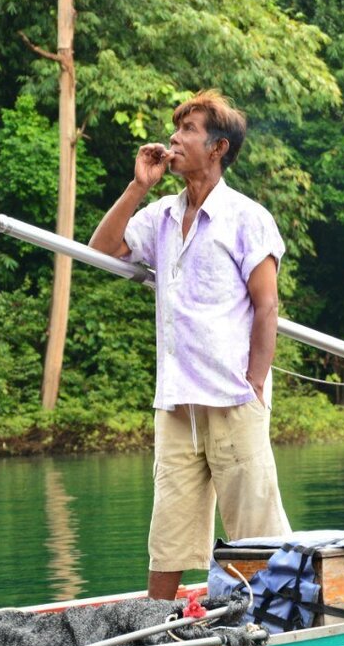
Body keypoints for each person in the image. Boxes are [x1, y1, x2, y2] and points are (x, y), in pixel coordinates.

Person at [90, 89, 292, 600]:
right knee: (169, 534)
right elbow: (100, 250)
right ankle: (155, 627)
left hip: (233, 398)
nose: (174, 140)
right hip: (178, 401)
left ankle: (277, 620)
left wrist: (255, 382)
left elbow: (266, 307)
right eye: (176, 129)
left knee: (257, 531)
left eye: (187, 131)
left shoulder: (247, 218)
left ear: (218, 148)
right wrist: (138, 187)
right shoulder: (159, 216)